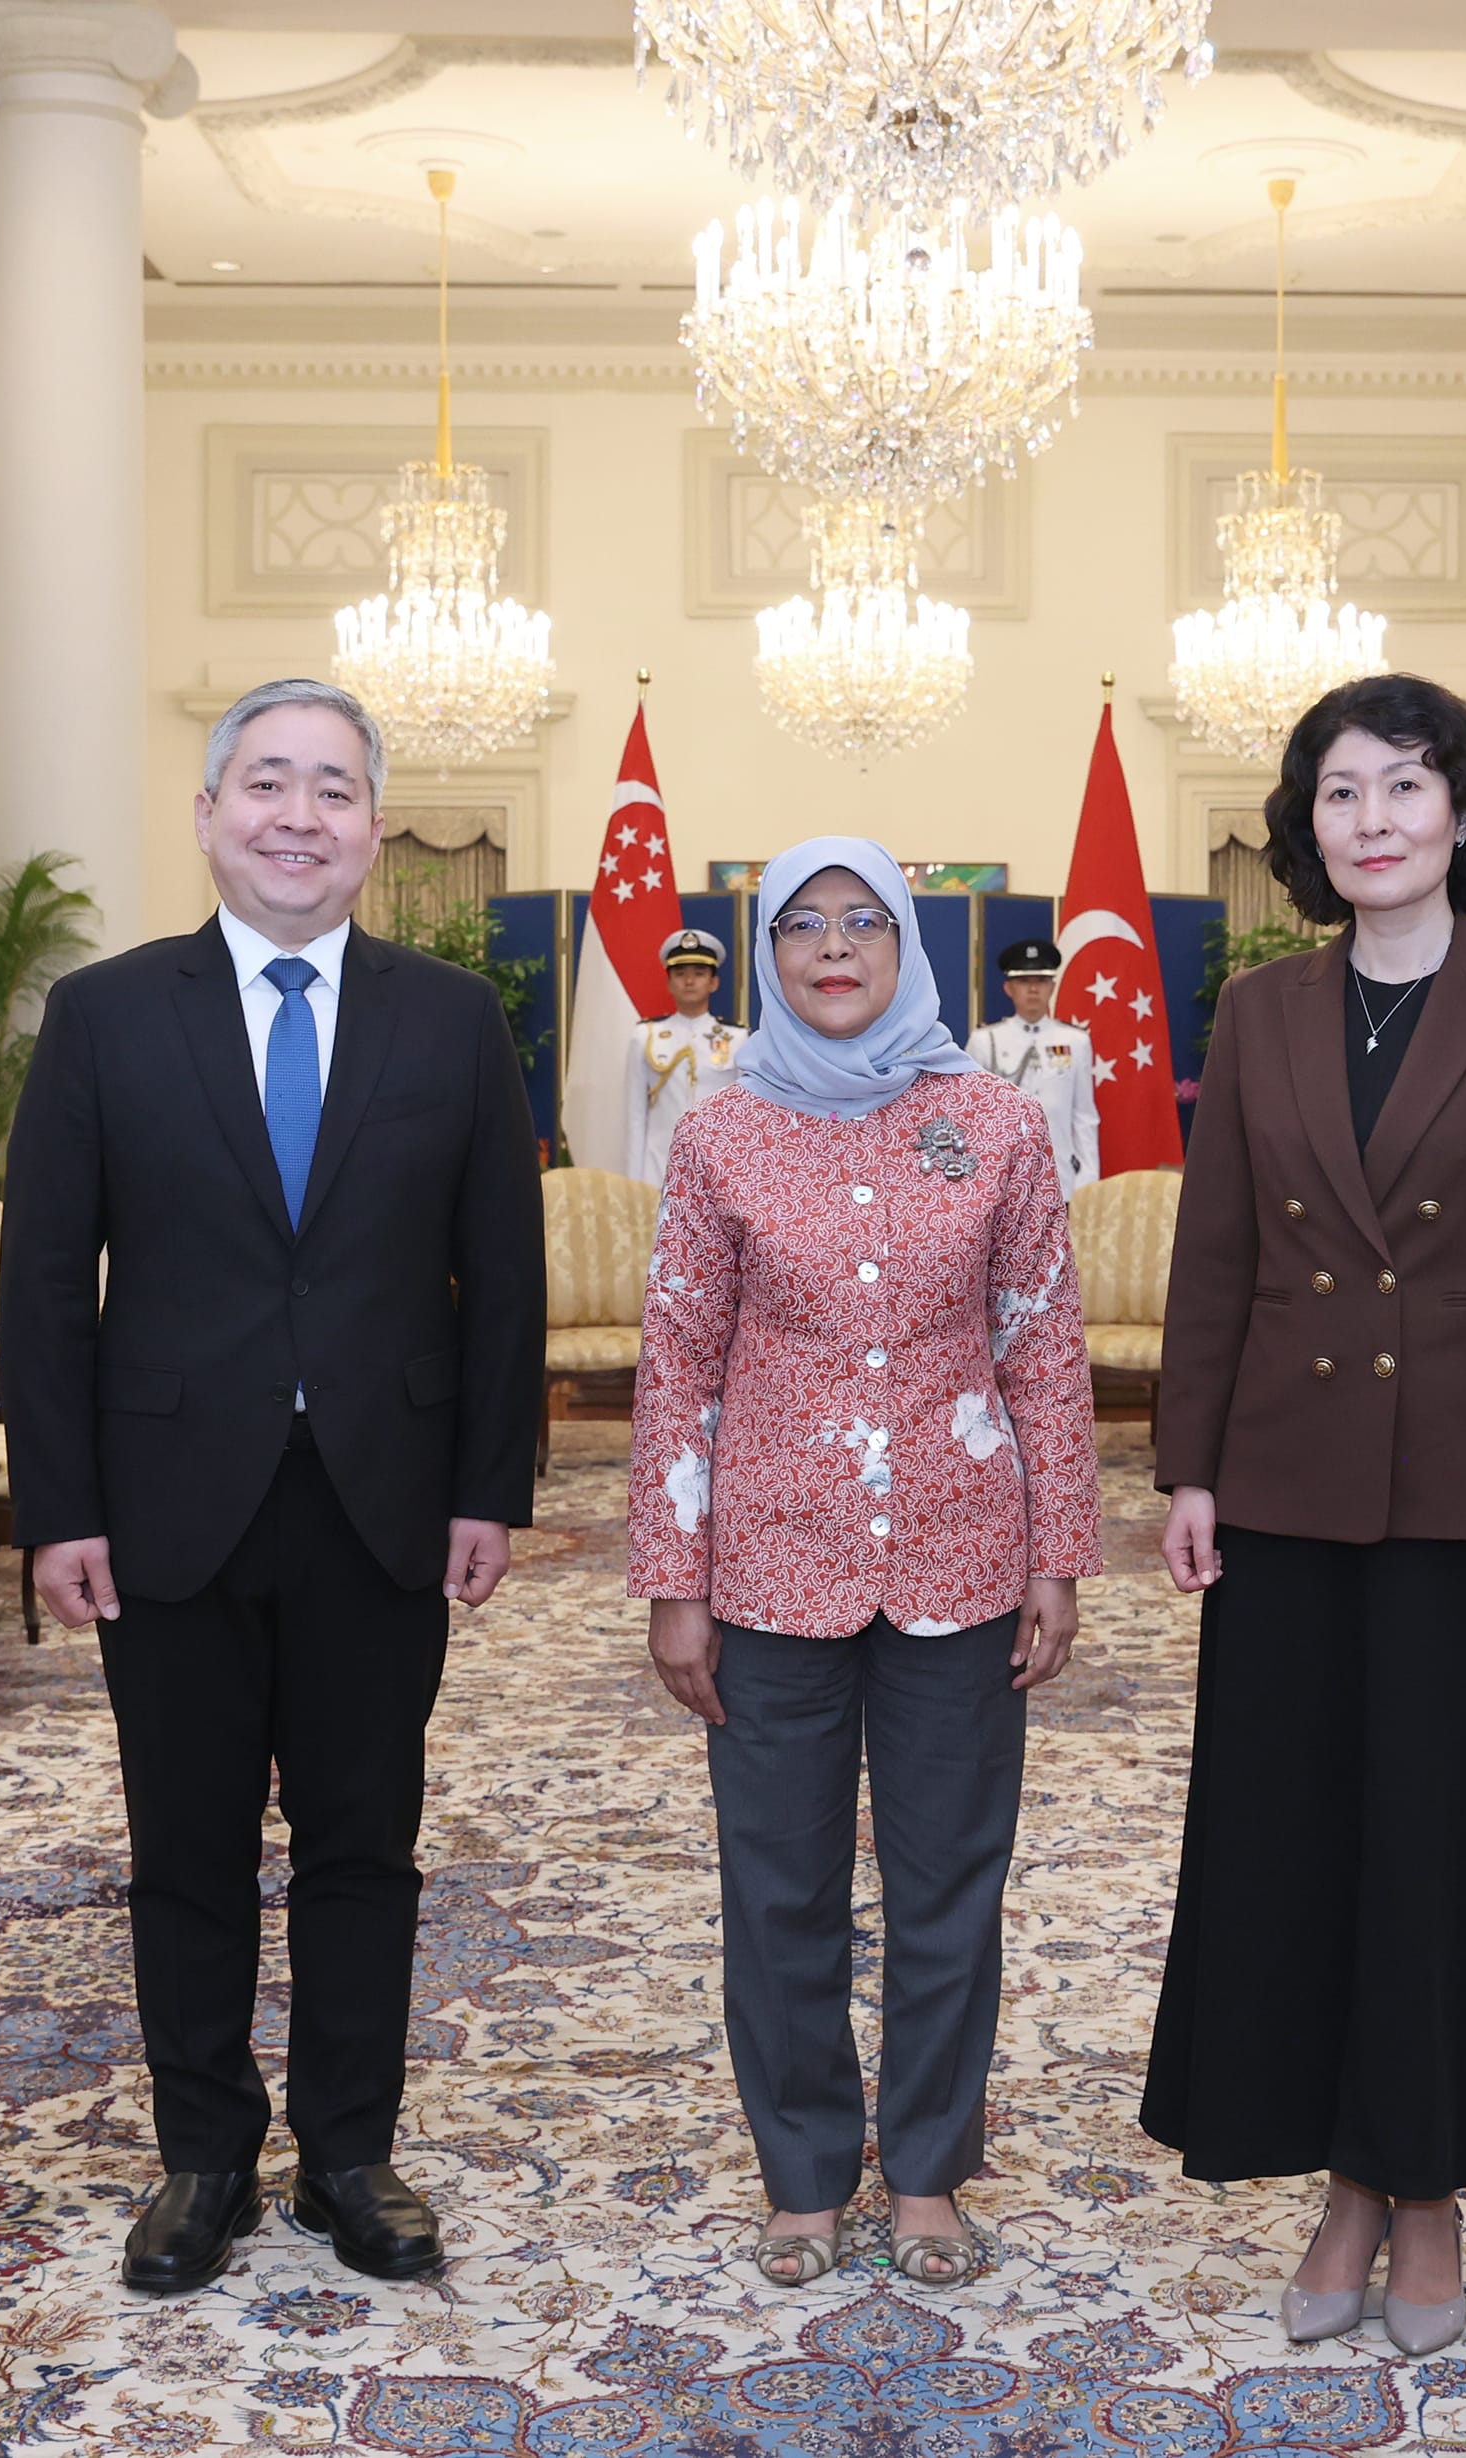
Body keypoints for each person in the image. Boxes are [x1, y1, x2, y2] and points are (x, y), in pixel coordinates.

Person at [0, 677, 545, 2297]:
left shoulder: (451, 1018)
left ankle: (350, 2152)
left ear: (375, 829)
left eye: (332, 789)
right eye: (266, 782)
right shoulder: (105, 1014)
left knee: (365, 1840)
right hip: (166, 1499)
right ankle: (204, 2157)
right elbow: (46, 1283)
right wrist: (59, 1506)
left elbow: (502, 1279)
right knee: (185, 1842)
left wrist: (489, 1486)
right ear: (207, 812)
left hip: (383, 1497)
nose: (297, 815)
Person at [1138, 673, 1466, 2359]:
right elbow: (1216, 1255)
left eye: (1407, 785)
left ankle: (1423, 2195)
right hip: (1286, 1491)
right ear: (1307, 828)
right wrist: (1189, 1464)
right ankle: (1343, 2176)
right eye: (1341, 792)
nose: (1375, 819)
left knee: (1443, 1854)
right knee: (1302, 1849)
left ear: (1463, 813)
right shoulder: (1260, 1010)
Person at [628, 837, 1103, 2293]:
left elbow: (1042, 1343)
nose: (833, 947)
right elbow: (678, 1361)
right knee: (779, 1886)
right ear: (766, 954)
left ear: (907, 944)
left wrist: (1059, 1552)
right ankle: (804, 2174)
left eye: (862, 922)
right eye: (801, 925)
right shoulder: (719, 1132)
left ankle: (930, 2170)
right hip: (771, 1560)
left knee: (950, 1881)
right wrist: (674, 1579)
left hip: (966, 1556)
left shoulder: (995, 1122)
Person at [966, 937, 1101, 1198]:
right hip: (1002, 1175)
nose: (1032, 990)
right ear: (1008, 988)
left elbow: (1084, 1115)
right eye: (1023, 981)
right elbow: (973, 1115)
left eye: (1040, 981)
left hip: (1060, 1176)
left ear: (1052, 987)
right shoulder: (986, 1040)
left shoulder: (1075, 1041)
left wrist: (1087, 1179)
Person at [626, 925, 743, 1185]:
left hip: (718, 1170)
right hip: (659, 1170)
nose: (689, 982)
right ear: (668, 983)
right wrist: (634, 1185)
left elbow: (744, 1117)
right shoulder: (645, 1036)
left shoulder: (737, 1039)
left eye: (699, 974)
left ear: (714, 982)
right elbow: (635, 1116)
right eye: (680, 974)